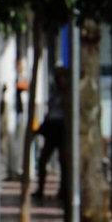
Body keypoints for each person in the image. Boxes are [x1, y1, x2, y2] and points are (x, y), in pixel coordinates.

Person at [33, 67, 70, 200]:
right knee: (43, 160)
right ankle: (40, 189)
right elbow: (49, 113)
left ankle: (64, 190)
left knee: (64, 162)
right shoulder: (54, 93)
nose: (58, 80)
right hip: (51, 129)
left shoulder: (68, 94)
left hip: (62, 129)